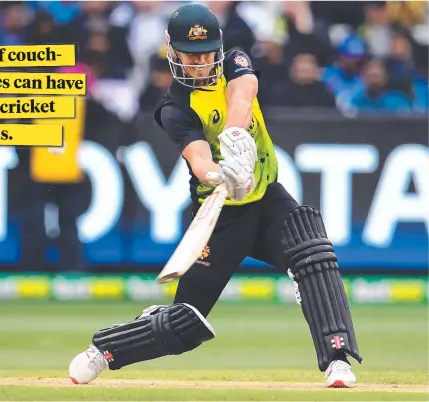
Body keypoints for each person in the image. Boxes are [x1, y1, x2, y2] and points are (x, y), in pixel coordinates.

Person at [68, 3, 362, 388]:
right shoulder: (174, 108)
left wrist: (236, 139)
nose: (200, 63)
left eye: (207, 53)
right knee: (186, 322)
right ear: (172, 51)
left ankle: (337, 360)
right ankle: (105, 350)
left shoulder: (236, 60)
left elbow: (243, 95)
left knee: (314, 254)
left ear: (219, 47)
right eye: (190, 56)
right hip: (220, 212)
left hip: (267, 197)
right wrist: (220, 173)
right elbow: (197, 158)